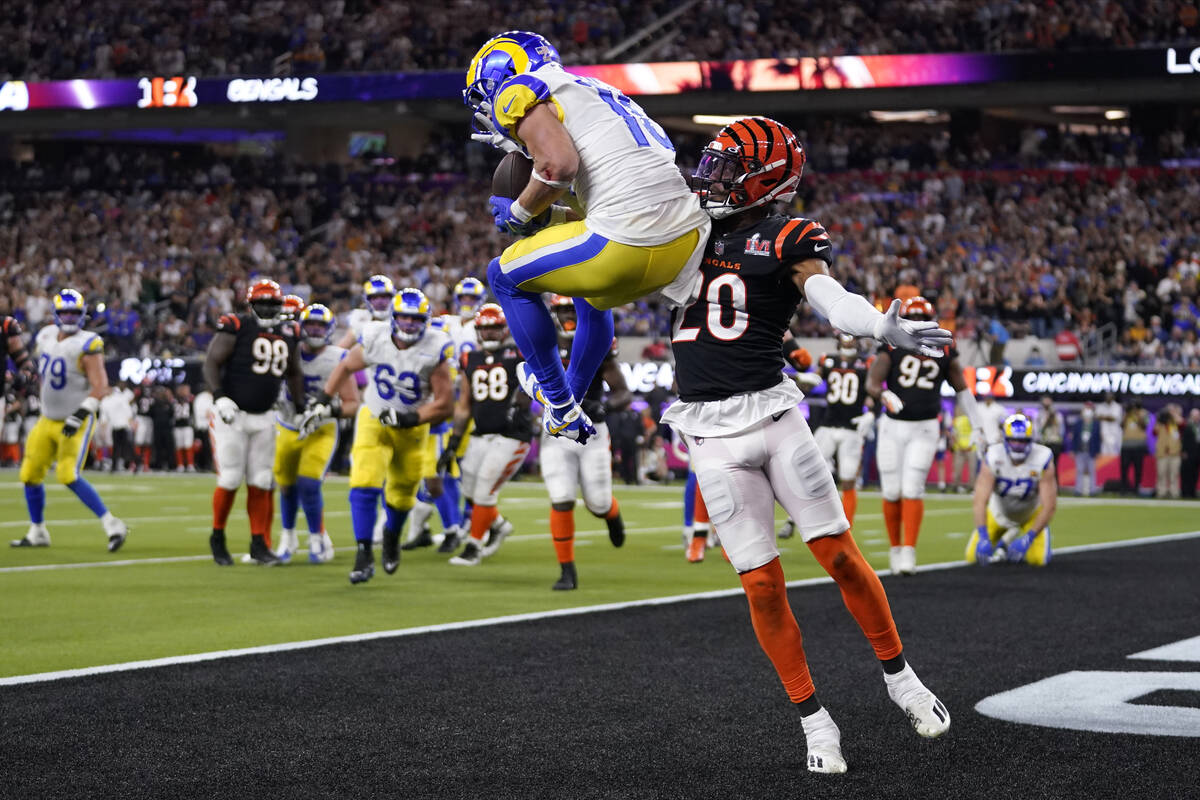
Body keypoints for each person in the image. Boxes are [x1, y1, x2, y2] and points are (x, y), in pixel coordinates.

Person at [663, 118, 951, 774]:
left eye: (725, 168)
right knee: (761, 587)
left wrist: (878, 325)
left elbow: (828, 296)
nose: (709, 179)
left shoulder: (786, 235)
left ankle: (901, 678)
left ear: (763, 180)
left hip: (774, 418)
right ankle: (816, 722)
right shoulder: (679, 231)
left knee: (840, 557)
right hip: (709, 433)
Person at [466, 30, 710, 442]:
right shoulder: (599, 93)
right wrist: (548, 214)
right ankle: (572, 400)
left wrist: (519, 212)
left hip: (626, 243)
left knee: (503, 276)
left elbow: (558, 166)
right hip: (685, 241)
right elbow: (602, 193)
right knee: (588, 294)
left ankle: (559, 402)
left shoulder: (519, 90)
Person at [300, 288, 454, 585]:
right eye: (404, 318)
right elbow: (345, 365)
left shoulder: (435, 349)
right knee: (364, 482)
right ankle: (363, 553)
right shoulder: (377, 337)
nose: (409, 325)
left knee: (402, 494)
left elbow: (444, 404)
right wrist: (323, 397)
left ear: (426, 320)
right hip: (374, 417)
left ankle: (392, 536)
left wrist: (410, 417)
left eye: (415, 319)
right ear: (394, 318)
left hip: (412, 428)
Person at [867, 296, 987, 576]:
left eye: (923, 319)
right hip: (893, 425)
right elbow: (872, 380)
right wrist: (884, 393)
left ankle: (908, 550)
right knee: (891, 490)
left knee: (912, 487)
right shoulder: (892, 344)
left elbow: (962, 389)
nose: (919, 324)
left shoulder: (944, 348)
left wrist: (979, 426)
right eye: (915, 318)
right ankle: (895, 548)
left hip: (924, 426)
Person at [10, 289, 129, 552]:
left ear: (82, 314)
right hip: (46, 418)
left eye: (74, 312)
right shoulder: (45, 335)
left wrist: (81, 413)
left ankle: (113, 525)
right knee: (29, 474)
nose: (69, 317)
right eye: (64, 312)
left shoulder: (88, 343)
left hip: (74, 421)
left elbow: (101, 387)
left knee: (67, 474)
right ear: (55, 313)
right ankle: (37, 531)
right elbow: (42, 374)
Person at [202, 278, 305, 566]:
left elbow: (295, 372)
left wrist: (299, 406)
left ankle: (259, 543)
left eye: (273, 304)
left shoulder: (289, 332)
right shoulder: (237, 326)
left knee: (261, 480)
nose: (268, 309)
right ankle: (218, 536)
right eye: (262, 304)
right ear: (250, 305)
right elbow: (211, 361)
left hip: (265, 416)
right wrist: (220, 396)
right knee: (231, 478)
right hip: (232, 416)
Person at [537, 293, 629, 589]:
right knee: (561, 498)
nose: (569, 316)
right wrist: (517, 407)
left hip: (593, 434)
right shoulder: (542, 341)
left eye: (573, 309)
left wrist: (607, 406)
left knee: (598, 503)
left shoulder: (597, 343)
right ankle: (567, 571)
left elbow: (622, 391)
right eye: (563, 309)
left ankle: (611, 514)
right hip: (555, 432)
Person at [439, 303, 529, 565]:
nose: (489, 334)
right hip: (480, 434)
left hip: (511, 434)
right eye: (484, 329)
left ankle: (474, 547)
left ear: (503, 330)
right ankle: (498, 525)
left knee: (484, 490)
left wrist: (526, 399)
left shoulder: (518, 353)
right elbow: (464, 403)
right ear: (477, 331)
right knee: (469, 489)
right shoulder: (470, 359)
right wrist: (453, 443)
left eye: (494, 329)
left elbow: (537, 378)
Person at [272, 304, 359, 564]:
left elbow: (352, 403)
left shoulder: (338, 357)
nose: (314, 330)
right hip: (287, 425)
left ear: (330, 329)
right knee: (286, 487)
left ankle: (317, 537)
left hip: (320, 429)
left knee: (309, 483)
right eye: (310, 325)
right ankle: (288, 536)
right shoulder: (288, 350)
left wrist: (325, 411)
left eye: (320, 326)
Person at [407, 277, 483, 554]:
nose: (466, 304)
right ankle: (431, 528)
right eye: (462, 298)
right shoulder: (443, 324)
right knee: (437, 470)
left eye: (471, 300)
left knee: (462, 470)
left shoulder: (484, 326)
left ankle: (467, 523)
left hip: (467, 407)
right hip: (441, 403)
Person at [966, 414, 1057, 566]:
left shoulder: (1043, 457)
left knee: (1038, 560)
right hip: (998, 513)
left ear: (1030, 440)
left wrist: (1029, 537)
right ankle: (1007, 538)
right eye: (1013, 440)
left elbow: (1049, 506)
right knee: (972, 557)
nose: (1017, 445)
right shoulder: (993, 456)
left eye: (1022, 440)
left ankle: (1014, 537)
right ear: (1005, 440)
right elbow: (980, 501)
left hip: (1030, 514)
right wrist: (983, 536)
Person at [812, 333, 874, 527]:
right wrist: (808, 377)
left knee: (848, 480)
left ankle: (847, 527)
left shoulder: (867, 364)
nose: (849, 343)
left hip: (851, 427)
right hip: (828, 425)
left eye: (852, 339)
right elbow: (815, 378)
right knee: (811, 472)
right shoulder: (828, 360)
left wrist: (872, 411)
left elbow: (874, 392)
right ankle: (801, 518)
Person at [1066, 402, 1102, 497]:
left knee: (1092, 471)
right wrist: (1072, 450)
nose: (1087, 411)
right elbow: (1074, 438)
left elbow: (1098, 438)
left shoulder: (1096, 424)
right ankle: (1078, 490)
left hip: (1091, 450)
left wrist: (1098, 451)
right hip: (1080, 450)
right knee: (1079, 471)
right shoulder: (1078, 423)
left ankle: (1092, 491)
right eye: (1086, 409)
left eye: (1089, 409)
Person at [1119, 401, 1150, 495]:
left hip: (1138, 446)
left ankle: (1136, 488)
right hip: (1126, 446)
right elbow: (1121, 425)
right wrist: (1127, 413)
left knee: (1138, 469)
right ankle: (1124, 488)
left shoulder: (1144, 413)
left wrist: (1137, 414)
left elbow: (1144, 426)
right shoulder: (1126, 414)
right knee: (1124, 468)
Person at [1153, 404, 1183, 499]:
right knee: (1161, 474)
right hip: (1162, 453)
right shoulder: (1161, 422)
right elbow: (1154, 432)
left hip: (1174, 453)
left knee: (1174, 474)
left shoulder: (1176, 423)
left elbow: (1183, 424)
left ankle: (1174, 493)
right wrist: (1160, 419)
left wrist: (1174, 415)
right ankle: (1161, 492)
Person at [1033, 394, 1064, 472]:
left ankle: (1055, 483)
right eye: (1045, 400)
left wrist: (1052, 418)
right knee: (1042, 464)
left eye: (1048, 400)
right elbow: (1036, 430)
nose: (1047, 402)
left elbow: (1061, 430)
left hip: (1054, 443)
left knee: (1054, 465)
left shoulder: (1057, 415)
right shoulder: (1038, 415)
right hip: (1043, 442)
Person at [172, 384, 196, 471]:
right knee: (179, 445)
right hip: (177, 426)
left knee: (188, 445)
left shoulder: (190, 400)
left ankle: (190, 464)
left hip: (187, 425)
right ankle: (180, 464)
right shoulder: (174, 400)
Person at [1096, 391, 1123, 456]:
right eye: (1107, 396)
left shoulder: (1117, 406)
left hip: (1115, 433)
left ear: (1113, 397)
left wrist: (1103, 417)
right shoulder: (1101, 406)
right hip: (1104, 433)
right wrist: (1108, 417)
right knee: (1104, 453)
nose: (1108, 397)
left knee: (1115, 453)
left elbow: (1113, 418)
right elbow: (1097, 417)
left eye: (1110, 396)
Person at [1181, 408, 1200, 499]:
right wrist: (1184, 451)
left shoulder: (1198, 426)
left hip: (1197, 454)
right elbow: (1184, 440)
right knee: (1187, 474)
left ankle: (1192, 492)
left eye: (1198, 415)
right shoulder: (1187, 425)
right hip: (1189, 453)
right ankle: (1185, 492)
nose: (1197, 417)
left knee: (1195, 474)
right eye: (1195, 415)